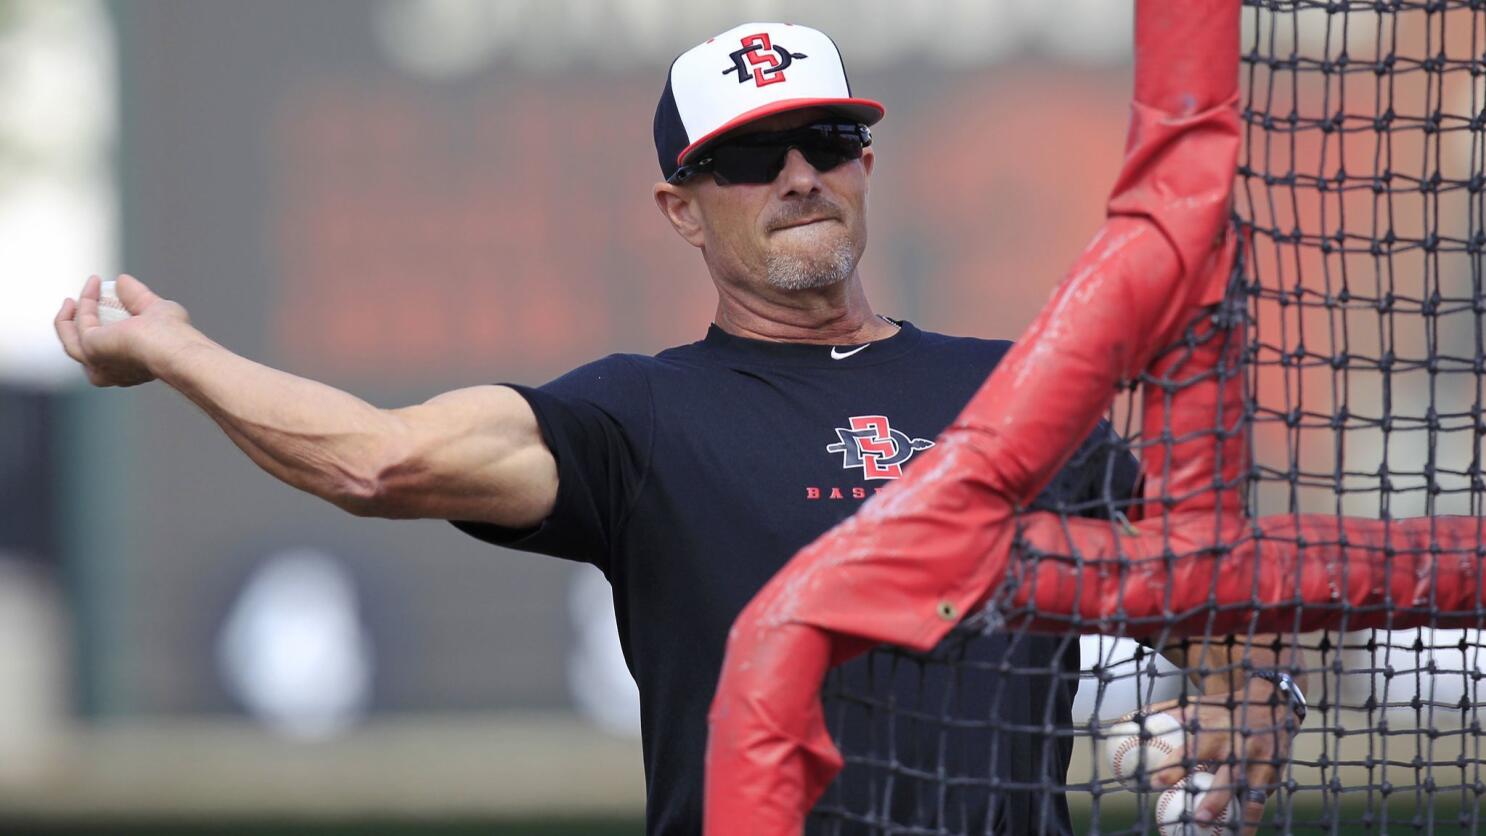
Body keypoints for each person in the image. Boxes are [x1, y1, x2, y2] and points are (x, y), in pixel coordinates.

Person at [55, 22, 1300, 835]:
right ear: (680, 207)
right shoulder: (637, 416)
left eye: (827, 140)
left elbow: (1211, 619)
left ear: (867, 165)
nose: (800, 174)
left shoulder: (1026, 394)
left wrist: (1253, 699)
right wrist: (173, 349)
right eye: (751, 157)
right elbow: (375, 456)